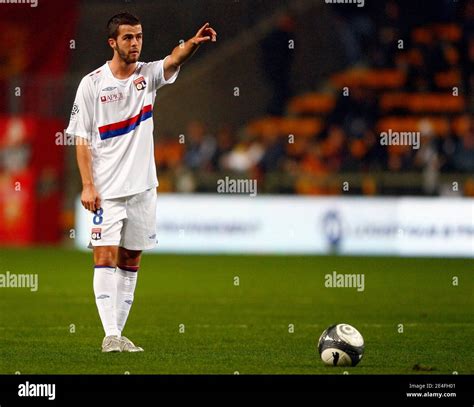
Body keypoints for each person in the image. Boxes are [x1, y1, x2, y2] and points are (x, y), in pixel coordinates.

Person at [66, 13, 217, 352]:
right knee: (105, 255)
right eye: (128, 37)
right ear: (112, 42)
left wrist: (192, 44)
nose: (135, 43)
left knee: (131, 260)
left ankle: (118, 335)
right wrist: (88, 185)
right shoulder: (92, 84)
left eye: (139, 36)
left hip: (143, 188)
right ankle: (109, 335)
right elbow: (81, 139)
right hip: (106, 190)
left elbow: (174, 59)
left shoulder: (147, 76)